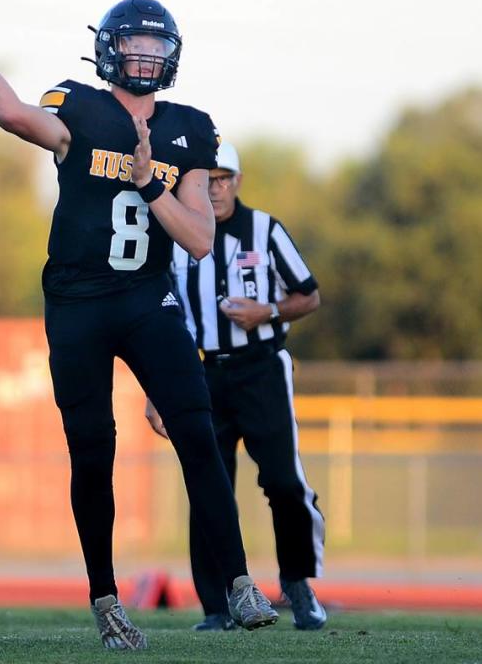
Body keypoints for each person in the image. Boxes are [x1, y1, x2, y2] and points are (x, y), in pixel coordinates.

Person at [0, 0, 278, 649]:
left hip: (148, 297)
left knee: (198, 428)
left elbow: (200, 239)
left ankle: (237, 583)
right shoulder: (80, 106)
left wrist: (151, 185)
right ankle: (106, 600)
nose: (145, 54)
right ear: (110, 49)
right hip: (77, 302)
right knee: (94, 454)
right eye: (135, 43)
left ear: (171, 55)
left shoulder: (189, 127)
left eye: (156, 45)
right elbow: (11, 114)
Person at [146, 141, 327, 630]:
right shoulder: (178, 233)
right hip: (201, 372)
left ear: (238, 182)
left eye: (224, 178)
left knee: (284, 481)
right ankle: (216, 604)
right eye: (208, 178)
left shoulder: (264, 229)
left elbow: (309, 296)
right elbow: (161, 317)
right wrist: (155, 390)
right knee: (209, 485)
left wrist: (266, 311)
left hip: (261, 367)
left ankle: (298, 582)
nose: (216, 188)